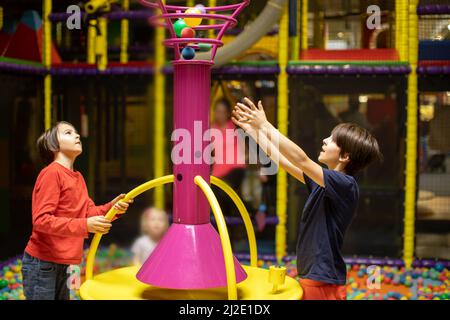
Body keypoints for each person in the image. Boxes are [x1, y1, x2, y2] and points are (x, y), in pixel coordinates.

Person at [232, 98, 382, 300]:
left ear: (345, 156)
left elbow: (301, 159)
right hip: (314, 276)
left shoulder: (345, 185)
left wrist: (266, 126)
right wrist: (255, 133)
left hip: (323, 280)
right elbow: (283, 160)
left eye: (331, 140)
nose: (325, 141)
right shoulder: (323, 183)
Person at [22, 121, 133, 300]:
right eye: (68, 133)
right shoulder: (52, 173)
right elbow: (41, 220)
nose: (77, 135)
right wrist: (85, 225)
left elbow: (87, 212)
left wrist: (112, 208)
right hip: (44, 263)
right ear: (53, 145)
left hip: (69, 264)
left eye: (75, 133)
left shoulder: (78, 177)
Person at [211, 98, 247, 217]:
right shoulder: (211, 129)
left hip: (235, 169)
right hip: (218, 173)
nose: (220, 115)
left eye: (223, 112)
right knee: (215, 198)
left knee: (225, 192)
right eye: (217, 111)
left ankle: (239, 216)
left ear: (227, 113)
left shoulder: (234, 127)